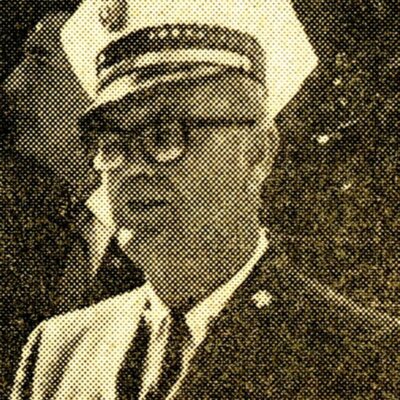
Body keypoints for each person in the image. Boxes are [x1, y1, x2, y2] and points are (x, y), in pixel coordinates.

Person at [11, 0, 400, 399]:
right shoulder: (58, 353)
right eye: (111, 143)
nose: (130, 167)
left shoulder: (365, 358)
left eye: (164, 134)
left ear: (256, 154)